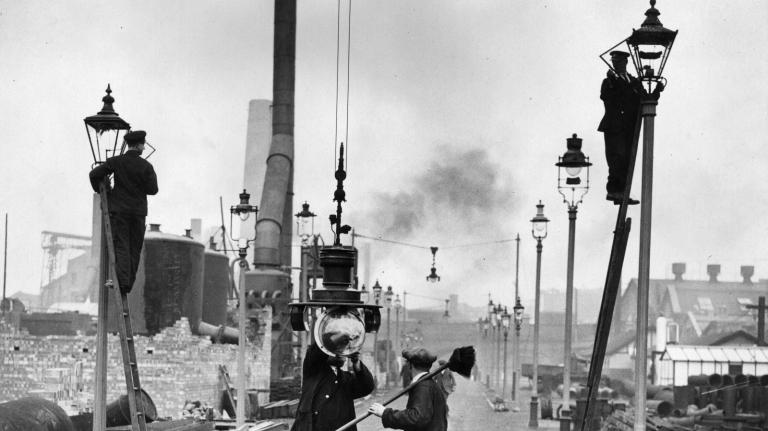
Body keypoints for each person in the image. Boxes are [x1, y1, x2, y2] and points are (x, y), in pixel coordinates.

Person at [89, 130, 158, 293]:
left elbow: (94, 174)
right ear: (140, 145)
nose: (144, 148)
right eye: (143, 144)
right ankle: (127, 284)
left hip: (119, 211)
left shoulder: (116, 161)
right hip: (138, 214)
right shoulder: (146, 166)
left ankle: (122, 281)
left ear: (128, 145)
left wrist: (101, 191)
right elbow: (153, 190)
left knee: (122, 246)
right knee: (135, 248)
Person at [598, 50, 662, 205]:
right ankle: (614, 191)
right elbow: (611, 97)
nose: (616, 64)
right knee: (616, 158)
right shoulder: (609, 82)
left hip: (629, 126)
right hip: (614, 126)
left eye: (619, 61)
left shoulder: (633, 81)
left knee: (627, 159)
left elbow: (644, 97)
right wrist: (616, 81)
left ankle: (623, 193)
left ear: (625, 63)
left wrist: (657, 91)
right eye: (614, 61)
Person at [291, 342, 375, 431]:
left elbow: (367, 386)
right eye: (337, 350)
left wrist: (356, 362)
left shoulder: (346, 378)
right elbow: (316, 351)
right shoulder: (313, 370)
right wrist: (335, 339)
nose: (341, 353)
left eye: (343, 351)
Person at [369, 347, 448, 431]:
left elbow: (417, 418)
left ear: (410, 365)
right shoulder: (429, 384)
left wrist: (385, 413)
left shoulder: (423, 387)